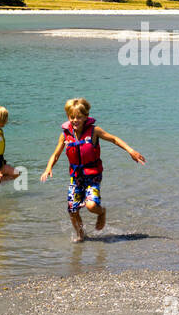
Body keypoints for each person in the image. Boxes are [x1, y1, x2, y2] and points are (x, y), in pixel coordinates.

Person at [41, 97, 145, 240]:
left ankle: (101, 212)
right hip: (76, 177)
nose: (75, 120)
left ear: (86, 117)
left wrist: (131, 151)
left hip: (93, 176)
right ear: (68, 117)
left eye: (79, 117)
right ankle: (80, 235)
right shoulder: (65, 134)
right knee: (72, 209)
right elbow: (56, 154)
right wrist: (48, 168)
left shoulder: (94, 131)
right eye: (72, 117)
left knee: (91, 206)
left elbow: (114, 139)